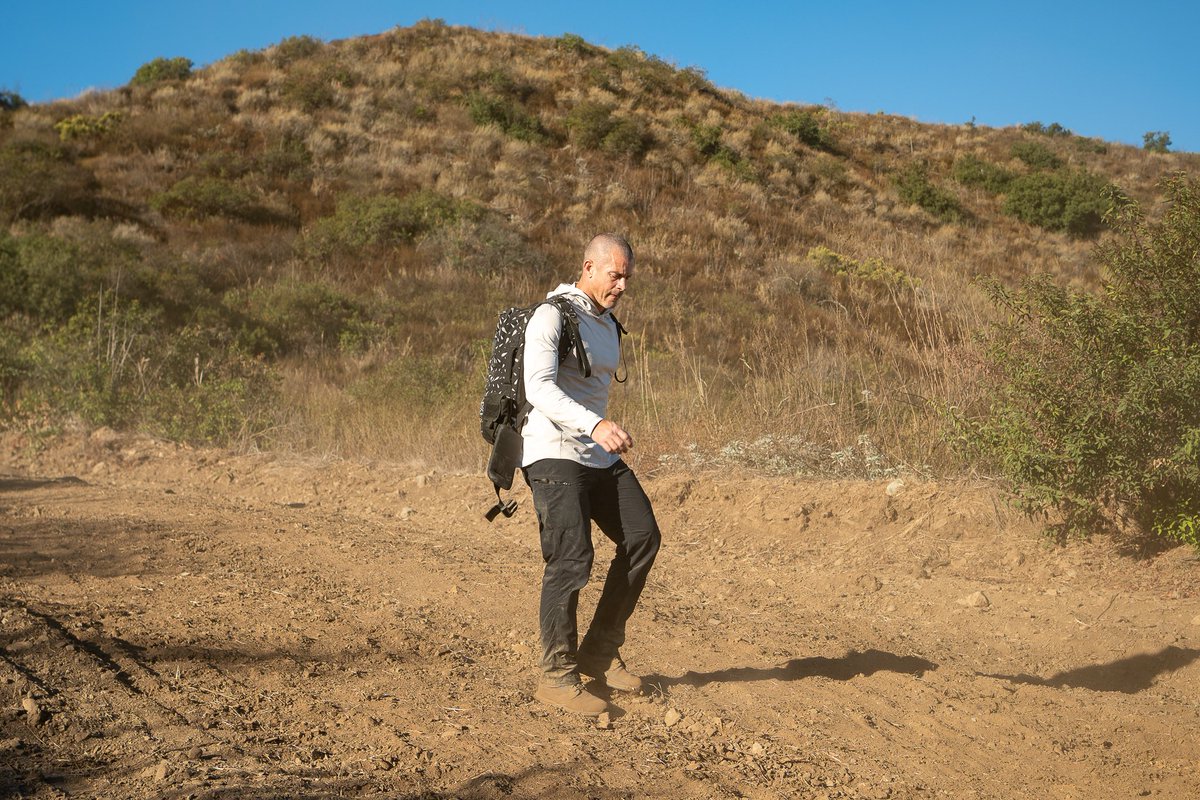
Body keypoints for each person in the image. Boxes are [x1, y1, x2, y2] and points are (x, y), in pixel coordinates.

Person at [521, 233, 661, 716]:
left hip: (595, 454)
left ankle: (598, 654)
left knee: (642, 536)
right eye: (614, 274)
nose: (621, 284)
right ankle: (557, 676)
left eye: (627, 277)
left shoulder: (605, 321)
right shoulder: (551, 314)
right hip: (552, 449)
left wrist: (598, 431)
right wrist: (596, 423)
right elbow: (537, 387)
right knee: (572, 558)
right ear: (588, 267)